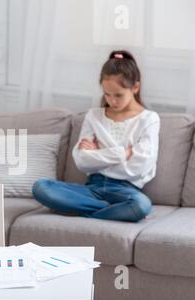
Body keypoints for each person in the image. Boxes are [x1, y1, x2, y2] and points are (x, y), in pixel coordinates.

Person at [32, 50, 161, 222]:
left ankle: (85, 212)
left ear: (135, 87)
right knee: (41, 187)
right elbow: (82, 161)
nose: (112, 101)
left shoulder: (149, 119)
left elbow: (140, 168)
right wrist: (123, 154)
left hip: (126, 191)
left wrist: (98, 155)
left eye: (118, 95)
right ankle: (111, 211)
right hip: (92, 188)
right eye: (107, 94)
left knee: (141, 205)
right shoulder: (94, 116)